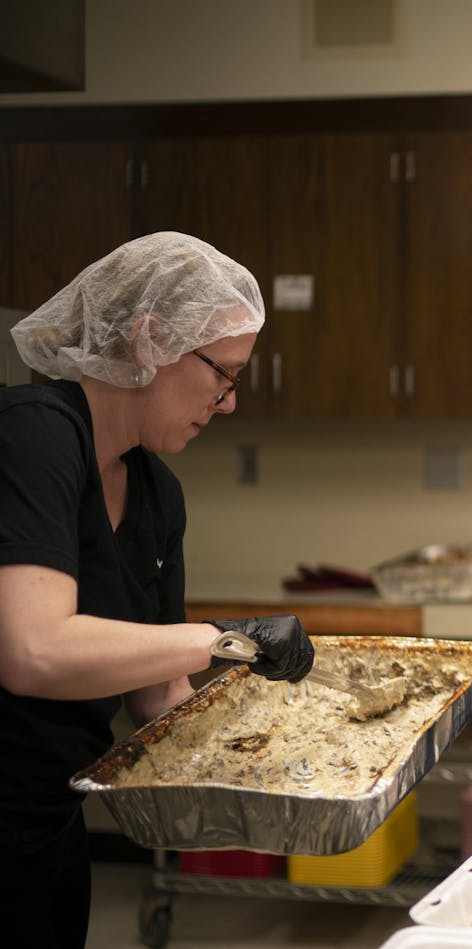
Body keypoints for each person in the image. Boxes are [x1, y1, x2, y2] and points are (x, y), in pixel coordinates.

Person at [0, 232, 316, 948]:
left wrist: (292, 761)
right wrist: (227, 639)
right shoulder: (34, 436)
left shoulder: (156, 493)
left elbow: (158, 699)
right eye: (223, 375)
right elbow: (32, 648)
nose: (228, 402)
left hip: (48, 829)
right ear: (150, 339)